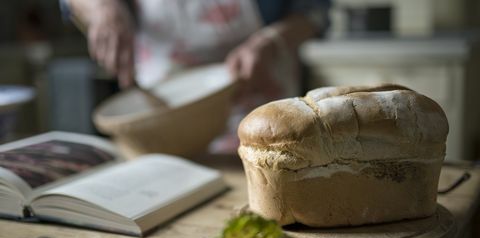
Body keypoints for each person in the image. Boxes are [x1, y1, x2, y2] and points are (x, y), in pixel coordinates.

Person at [62, 0, 329, 152]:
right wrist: (103, 8)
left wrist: (271, 42)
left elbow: (314, 10)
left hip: (257, 97)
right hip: (161, 111)